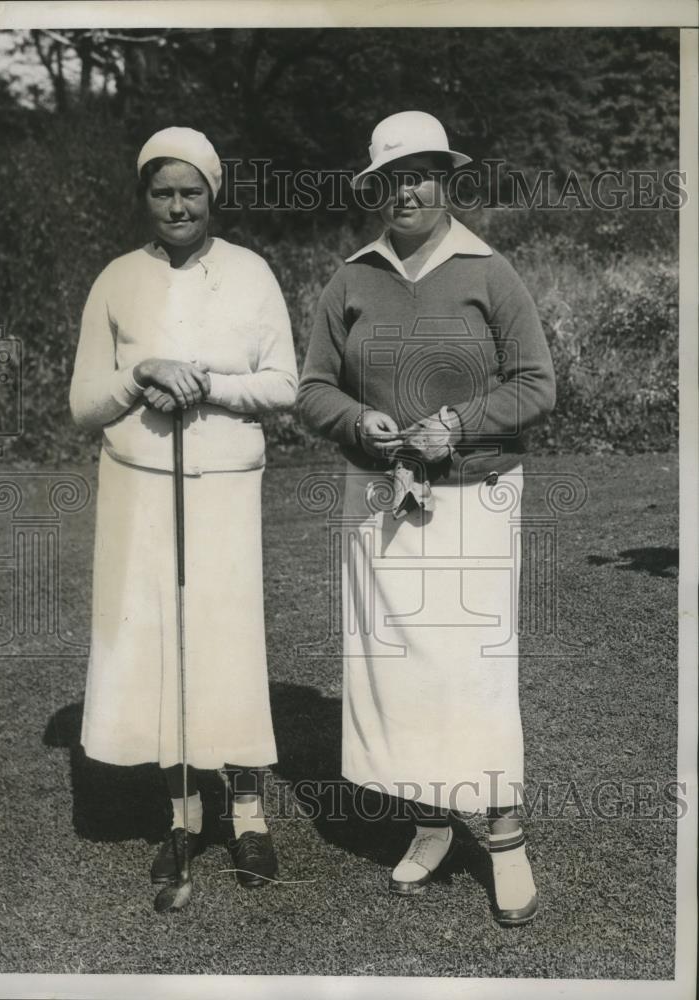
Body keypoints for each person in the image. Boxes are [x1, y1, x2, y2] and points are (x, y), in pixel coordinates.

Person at [297, 111, 555, 925]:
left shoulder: (489, 269)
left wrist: (461, 423)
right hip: (377, 499)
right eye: (391, 176)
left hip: (473, 496)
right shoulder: (351, 277)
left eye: (423, 173)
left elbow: (536, 384)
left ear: (446, 182)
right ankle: (432, 821)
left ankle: (504, 837)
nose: (406, 189)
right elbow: (312, 389)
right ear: (373, 188)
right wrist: (356, 422)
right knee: (399, 672)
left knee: (468, 668)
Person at [69, 126, 298, 892]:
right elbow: (82, 404)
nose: (176, 205)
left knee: (227, 645)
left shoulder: (251, 274)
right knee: (162, 645)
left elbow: (282, 385)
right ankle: (180, 817)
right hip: (136, 489)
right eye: (162, 191)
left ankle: (248, 818)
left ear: (212, 195)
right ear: (144, 199)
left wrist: (203, 379)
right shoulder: (114, 279)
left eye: (190, 191)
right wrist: (140, 375)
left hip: (226, 486)